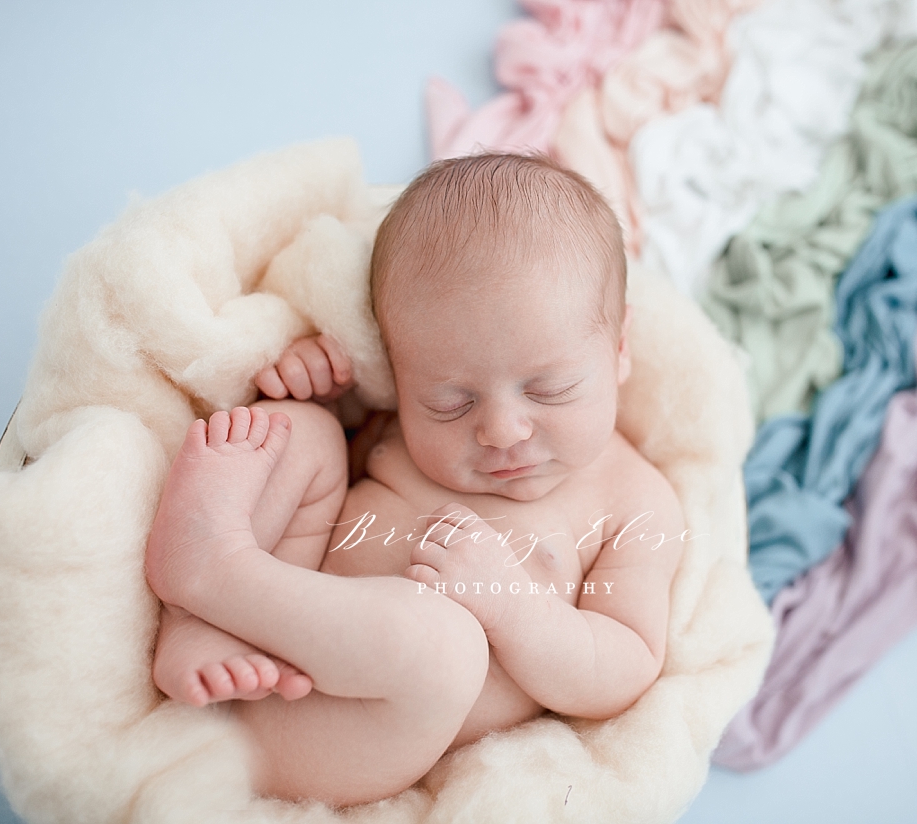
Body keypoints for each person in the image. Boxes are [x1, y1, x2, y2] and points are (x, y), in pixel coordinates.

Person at [143, 153, 689, 807]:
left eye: (549, 389)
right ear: (399, 375)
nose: (502, 430)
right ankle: (199, 616)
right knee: (297, 434)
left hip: (340, 724)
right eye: (450, 403)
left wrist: (514, 608)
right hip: (265, 624)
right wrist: (316, 390)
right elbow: (338, 463)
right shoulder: (393, 420)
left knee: (445, 645)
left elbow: (623, 666)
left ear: (619, 348)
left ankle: (212, 573)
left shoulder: (635, 504)